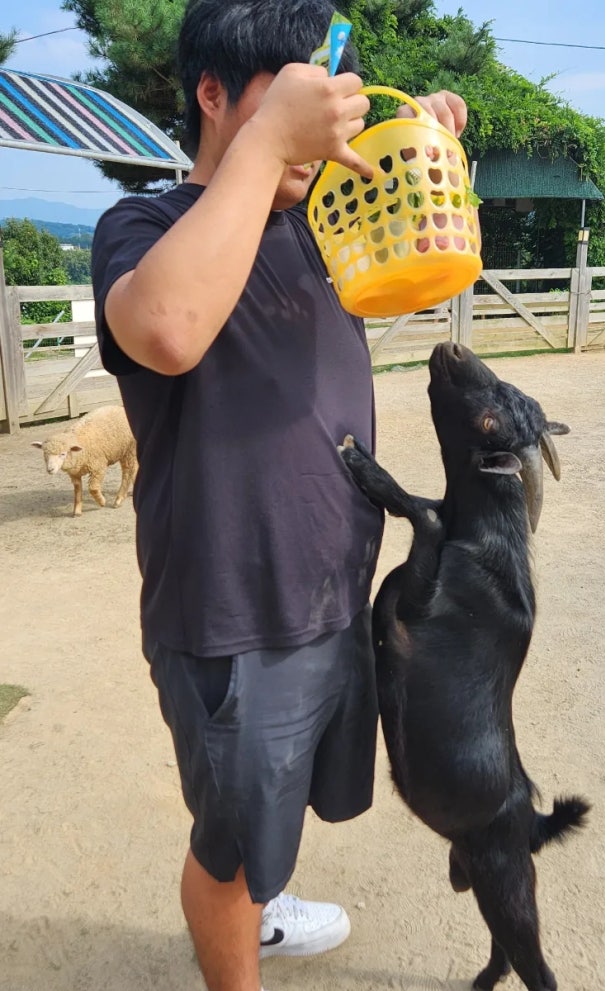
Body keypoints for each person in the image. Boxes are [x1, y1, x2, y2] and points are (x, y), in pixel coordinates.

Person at [91, 2, 468, 989]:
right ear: (214, 95)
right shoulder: (146, 225)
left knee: (280, 795)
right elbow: (166, 326)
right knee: (226, 844)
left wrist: (409, 136)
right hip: (231, 616)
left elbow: (420, 259)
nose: (318, 125)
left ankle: (265, 891)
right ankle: (239, 912)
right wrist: (267, 146)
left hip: (331, 590)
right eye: (292, 97)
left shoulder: (313, 223)